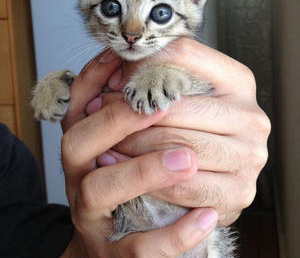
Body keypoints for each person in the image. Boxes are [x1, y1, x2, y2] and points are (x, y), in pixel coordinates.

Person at [0, 38, 270, 257]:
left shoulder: (9, 163)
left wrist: (84, 250)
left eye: (159, 13)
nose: (132, 32)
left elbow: (25, 233)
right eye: (112, 8)